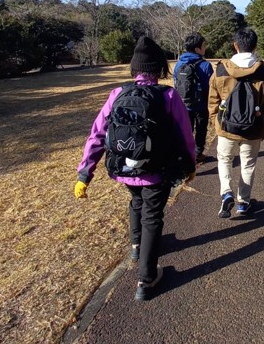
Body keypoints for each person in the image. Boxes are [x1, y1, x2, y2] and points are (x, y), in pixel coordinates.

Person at [74, 36, 196, 301]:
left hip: (124, 169)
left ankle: (136, 245)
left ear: (135, 69)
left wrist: (85, 173)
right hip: (157, 170)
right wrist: (191, 165)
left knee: (136, 202)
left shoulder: (118, 93)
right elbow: (186, 136)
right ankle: (146, 278)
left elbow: (97, 135)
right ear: (159, 69)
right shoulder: (168, 95)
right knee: (153, 215)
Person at [208, 27, 264, 218]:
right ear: (255, 46)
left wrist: (216, 122)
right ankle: (243, 202)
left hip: (226, 127)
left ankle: (226, 192)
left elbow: (212, 99)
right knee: (248, 164)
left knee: (225, 159)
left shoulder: (221, 69)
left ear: (235, 45)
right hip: (253, 127)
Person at [173, 33, 214, 164]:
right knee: (201, 129)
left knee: (186, 130)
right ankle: (198, 153)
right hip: (201, 105)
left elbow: (176, 83)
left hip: (184, 104)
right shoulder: (205, 65)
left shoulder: (178, 64)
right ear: (197, 49)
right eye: (203, 46)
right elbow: (211, 87)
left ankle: (186, 154)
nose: (205, 48)